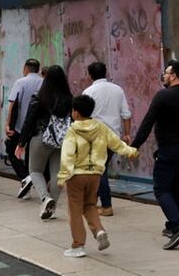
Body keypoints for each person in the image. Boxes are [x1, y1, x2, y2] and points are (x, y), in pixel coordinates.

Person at [130, 60, 179, 250]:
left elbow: (147, 123)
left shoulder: (163, 96)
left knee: (161, 189)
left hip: (168, 150)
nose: (163, 75)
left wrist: (134, 146)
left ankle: (178, 227)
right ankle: (172, 226)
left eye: (166, 72)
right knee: (175, 187)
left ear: (173, 76)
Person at [57, 94, 139, 258]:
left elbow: (67, 156)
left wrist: (63, 176)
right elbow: (116, 143)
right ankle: (99, 231)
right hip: (96, 175)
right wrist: (131, 152)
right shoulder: (101, 127)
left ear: (76, 113)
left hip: (76, 176)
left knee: (75, 210)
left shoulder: (72, 131)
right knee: (90, 205)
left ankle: (78, 245)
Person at [15, 64, 72, 221]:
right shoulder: (69, 99)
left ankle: (46, 199)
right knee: (57, 174)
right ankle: (51, 208)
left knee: (35, 170)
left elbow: (29, 121)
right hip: (62, 140)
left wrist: (21, 143)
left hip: (41, 138)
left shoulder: (39, 97)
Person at [81, 61, 132, 217]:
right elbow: (126, 114)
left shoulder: (88, 92)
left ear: (90, 75)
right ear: (106, 72)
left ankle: (106, 205)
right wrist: (127, 134)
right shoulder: (117, 90)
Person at [6, 58, 43, 198]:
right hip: (37, 126)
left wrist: (8, 124)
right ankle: (29, 180)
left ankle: (24, 178)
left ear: (26, 68)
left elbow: (13, 104)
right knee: (30, 155)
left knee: (12, 150)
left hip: (20, 126)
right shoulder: (43, 82)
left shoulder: (20, 82)